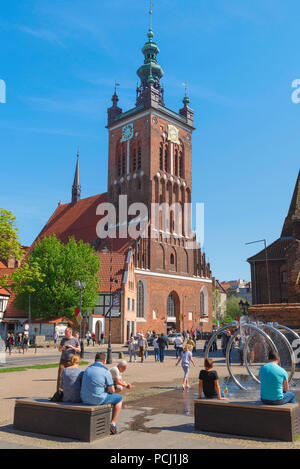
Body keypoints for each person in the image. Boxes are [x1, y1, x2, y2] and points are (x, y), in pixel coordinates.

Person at [80, 352, 123, 435]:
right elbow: (112, 390)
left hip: (84, 398)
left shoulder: (87, 369)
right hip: (97, 399)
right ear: (104, 361)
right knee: (119, 398)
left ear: (95, 360)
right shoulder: (105, 371)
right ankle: (113, 423)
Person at [57, 327, 81, 391]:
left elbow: (79, 350)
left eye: (66, 333)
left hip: (71, 361)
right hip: (63, 360)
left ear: (70, 332)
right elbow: (59, 349)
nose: (65, 334)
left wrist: (72, 347)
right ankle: (59, 392)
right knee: (60, 376)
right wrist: (62, 348)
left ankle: (69, 391)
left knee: (70, 376)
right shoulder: (63, 340)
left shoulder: (75, 340)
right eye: (65, 332)